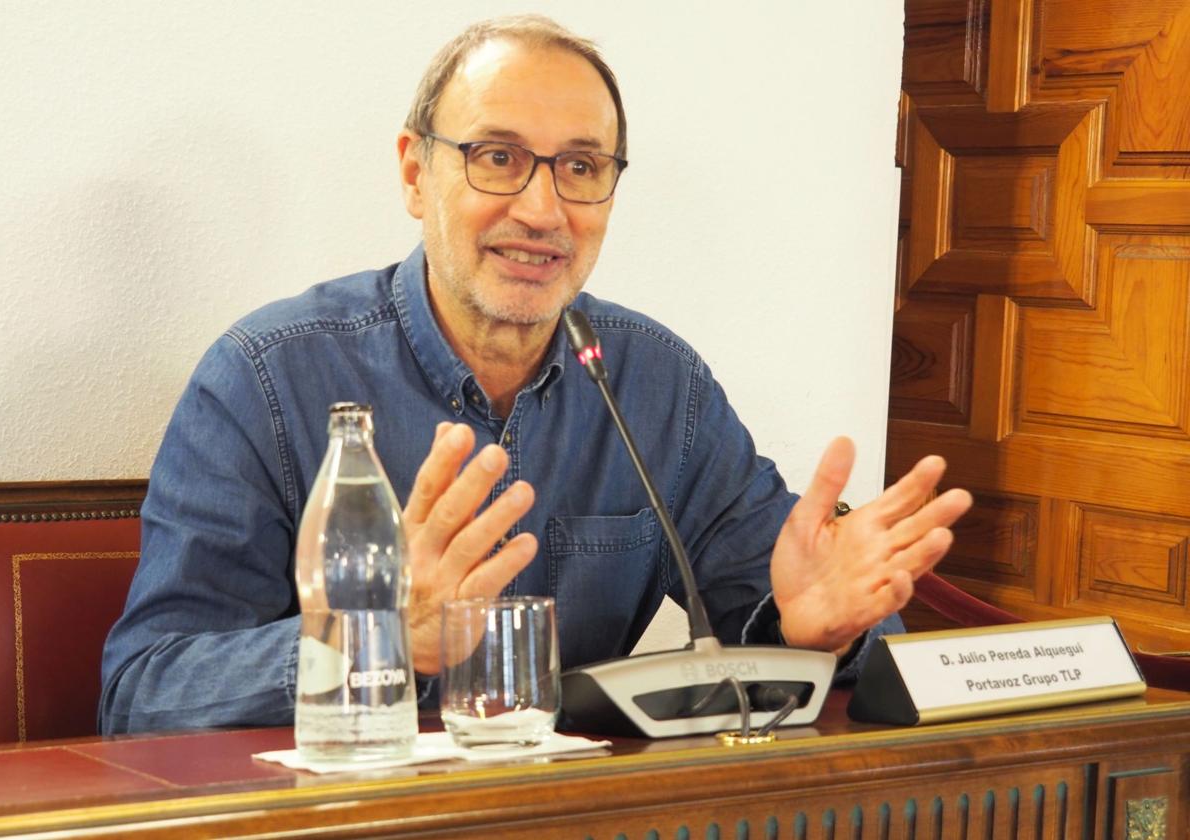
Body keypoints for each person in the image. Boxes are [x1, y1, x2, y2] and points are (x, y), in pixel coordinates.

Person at [99, 15, 972, 734]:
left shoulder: (658, 385)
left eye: (581, 168)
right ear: (415, 171)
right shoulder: (265, 378)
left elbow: (801, 604)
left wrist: (812, 631)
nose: (542, 209)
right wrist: (379, 639)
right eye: (498, 157)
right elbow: (141, 692)